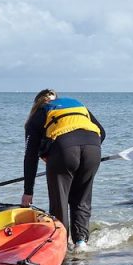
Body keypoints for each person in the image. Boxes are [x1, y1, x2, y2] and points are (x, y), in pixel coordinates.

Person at [22, 89, 105, 249]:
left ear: (37, 103)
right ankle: (81, 243)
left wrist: (28, 191)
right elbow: (102, 132)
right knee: (81, 200)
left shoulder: (38, 114)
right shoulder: (75, 105)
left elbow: (30, 156)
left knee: (59, 201)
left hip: (64, 150)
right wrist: (85, 152)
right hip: (93, 149)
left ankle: (61, 246)